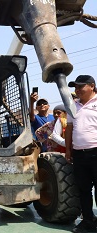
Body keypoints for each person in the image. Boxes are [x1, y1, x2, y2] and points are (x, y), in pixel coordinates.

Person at [65, 75, 97, 233]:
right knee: (83, 190)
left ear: (92, 86)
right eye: (75, 87)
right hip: (79, 154)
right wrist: (68, 149)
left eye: (80, 87)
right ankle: (88, 221)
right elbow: (69, 128)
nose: (77, 90)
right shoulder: (72, 105)